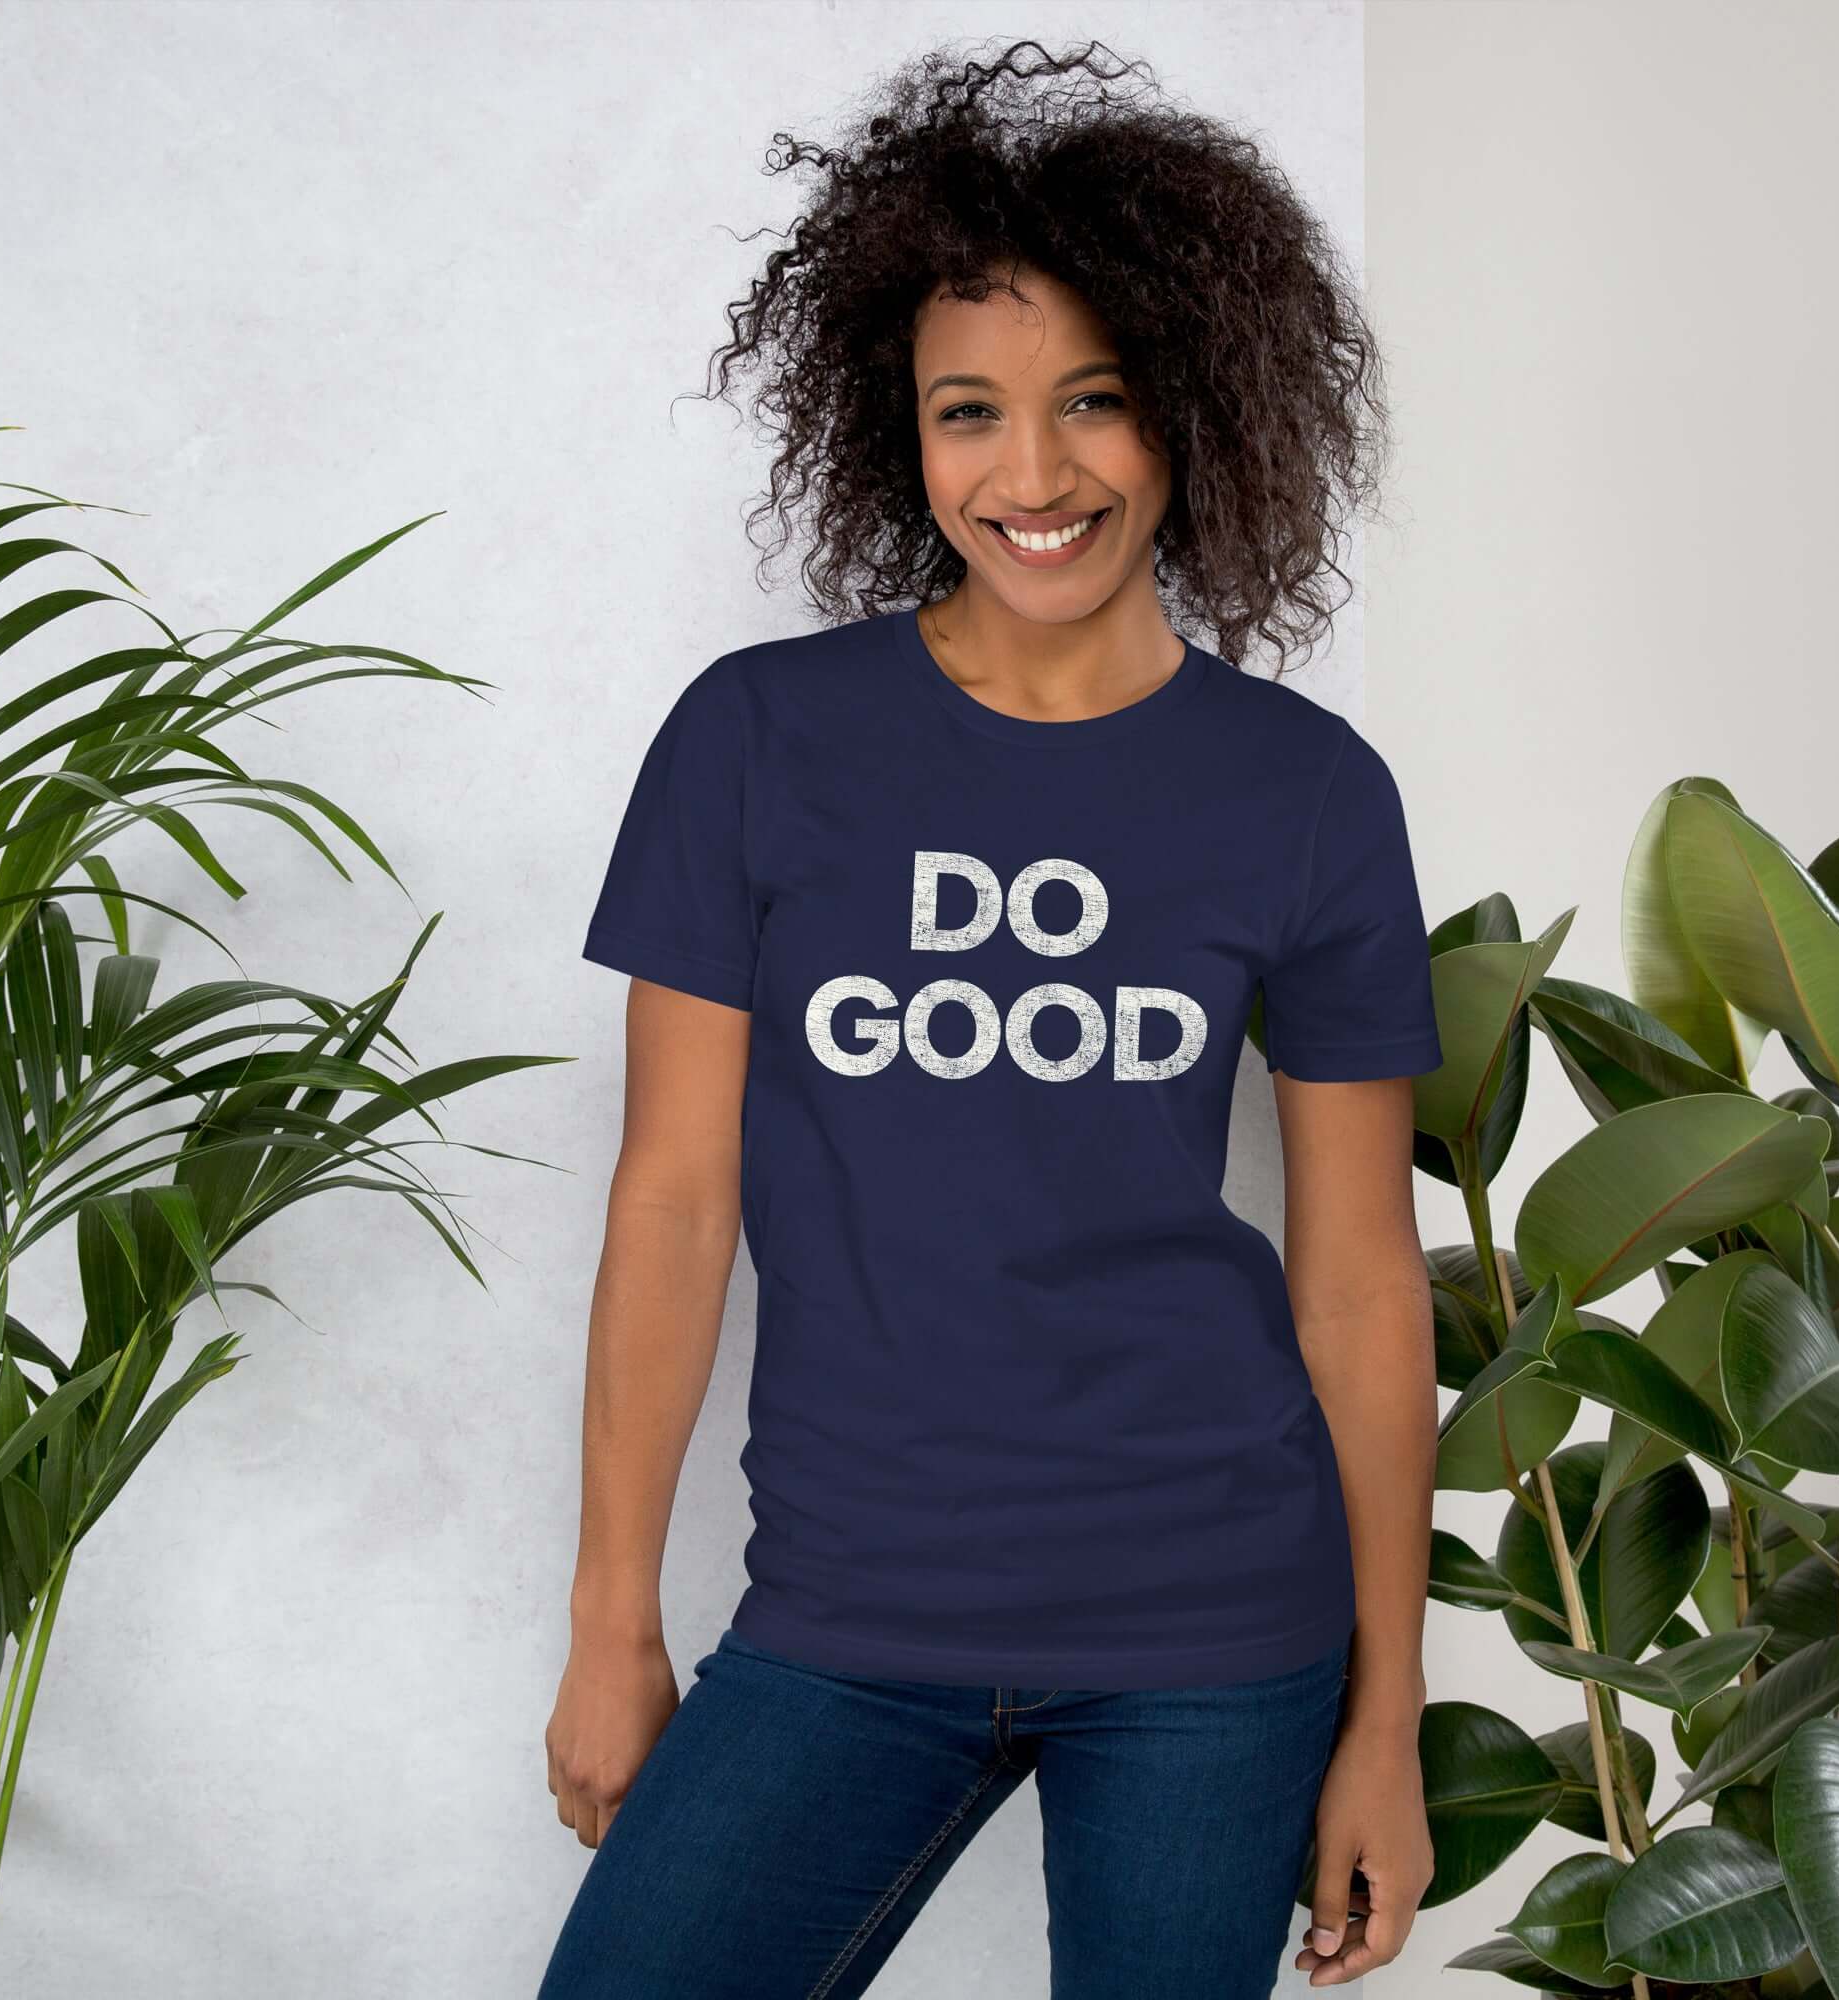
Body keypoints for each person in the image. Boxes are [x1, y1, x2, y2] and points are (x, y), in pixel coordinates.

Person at [539, 38, 1442, 2000]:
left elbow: (1363, 1281)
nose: (1030, 477)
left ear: (1194, 411)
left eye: (1093, 403)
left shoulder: (1301, 790)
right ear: (903, 431)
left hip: (1217, 1627)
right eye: (971, 413)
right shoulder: (759, 743)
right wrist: (615, 1611)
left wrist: (1384, 1716)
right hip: (857, 1609)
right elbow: (674, 1201)